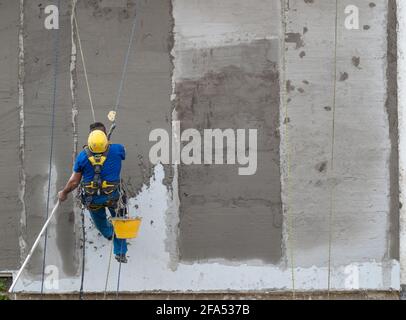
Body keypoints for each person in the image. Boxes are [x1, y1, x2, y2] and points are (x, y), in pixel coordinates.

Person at [58, 122, 128, 263]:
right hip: (113, 197)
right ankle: (120, 252)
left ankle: (109, 234)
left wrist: (64, 193)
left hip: (93, 199)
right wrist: (108, 144)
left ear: (89, 139)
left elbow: (74, 182)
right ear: (105, 137)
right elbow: (119, 154)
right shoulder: (118, 149)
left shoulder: (82, 157)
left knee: (100, 222)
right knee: (120, 221)